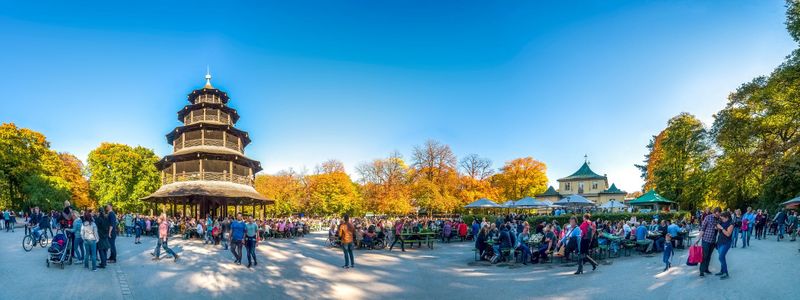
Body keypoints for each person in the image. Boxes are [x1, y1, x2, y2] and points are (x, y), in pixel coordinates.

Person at [699, 207, 720, 277]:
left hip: (713, 241)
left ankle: (706, 269)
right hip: (706, 240)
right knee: (704, 256)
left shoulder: (719, 219)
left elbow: (720, 230)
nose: (718, 215)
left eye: (719, 213)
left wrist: (718, 228)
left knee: (709, 256)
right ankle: (701, 271)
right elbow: (702, 228)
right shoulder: (708, 217)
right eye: (717, 213)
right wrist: (698, 239)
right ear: (714, 212)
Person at [715, 211, 734, 279]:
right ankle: (722, 271)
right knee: (722, 257)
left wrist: (722, 228)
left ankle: (726, 273)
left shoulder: (731, 224)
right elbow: (718, 229)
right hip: (720, 241)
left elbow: (728, 234)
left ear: (727, 217)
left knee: (721, 257)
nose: (722, 219)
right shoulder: (722, 222)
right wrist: (718, 227)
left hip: (726, 243)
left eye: (723, 218)